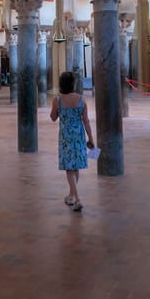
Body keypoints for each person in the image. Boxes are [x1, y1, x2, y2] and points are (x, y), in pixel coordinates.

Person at [50, 70, 94, 213]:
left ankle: (78, 199)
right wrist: (91, 139)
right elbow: (86, 121)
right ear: (73, 84)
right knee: (75, 167)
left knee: (69, 168)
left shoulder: (57, 100)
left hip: (66, 137)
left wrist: (58, 111)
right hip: (79, 135)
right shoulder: (81, 99)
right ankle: (71, 195)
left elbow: (53, 117)